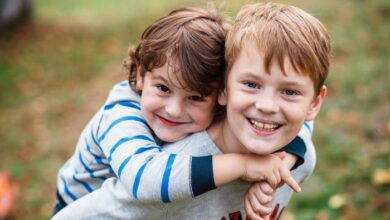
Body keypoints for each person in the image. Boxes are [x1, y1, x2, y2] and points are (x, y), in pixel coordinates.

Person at [53, 2, 331, 220]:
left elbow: (298, 122)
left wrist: (284, 162)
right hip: (84, 201)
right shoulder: (122, 115)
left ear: (220, 92)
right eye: (162, 88)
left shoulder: (243, 113)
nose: (174, 109)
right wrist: (247, 166)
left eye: (196, 96)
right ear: (139, 76)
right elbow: (146, 179)